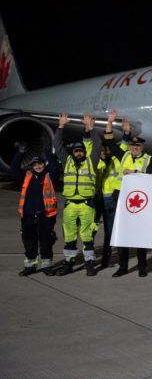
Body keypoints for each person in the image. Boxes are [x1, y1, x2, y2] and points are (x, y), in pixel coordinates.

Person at [53, 112, 102, 276]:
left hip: (87, 204)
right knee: (69, 236)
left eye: (81, 151)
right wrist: (61, 127)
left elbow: (97, 144)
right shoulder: (66, 162)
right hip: (70, 205)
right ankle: (68, 263)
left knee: (87, 236)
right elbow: (57, 144)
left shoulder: (91, 162)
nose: (79, 153)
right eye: (76, 151)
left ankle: (89, 263)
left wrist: (91, 128)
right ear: (73, 153)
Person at [110, 118, 152, 278]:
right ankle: (123, 267)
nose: (135, 148)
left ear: (142, 147)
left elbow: (151, 176)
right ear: (129, 146)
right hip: (121, 199)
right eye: (133, 145)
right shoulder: (123, 155)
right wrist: (121, 130)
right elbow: (109, 143)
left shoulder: (149, 159)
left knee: (139, 236)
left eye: (138, 146)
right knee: (123, 235)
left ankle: (142, 266)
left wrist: (134, 173)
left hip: (140, 202)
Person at [12, 144, 60, 276]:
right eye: (35, 165)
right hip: (28, 215)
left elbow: (55, 166)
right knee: (29, 243)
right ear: (32, 166)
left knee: (46, 242)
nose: (38, 166)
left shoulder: (50, 176)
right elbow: (14, 169)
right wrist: (20, 153)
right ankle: (30, 266)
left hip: (46, 215)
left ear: (44, 165)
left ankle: (47, 266)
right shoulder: (27, 176)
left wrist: (47, 151)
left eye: (40, 164)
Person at [95, 110, 122, 268]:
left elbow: (117, 144)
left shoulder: (117, 160)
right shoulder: (95, 162)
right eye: (102, 150)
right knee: (94, 232)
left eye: (107, 150)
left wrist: (123, 131)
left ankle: (106, 260)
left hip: (112, 200)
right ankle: (93, 258)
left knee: (110, 232)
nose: (105, 152)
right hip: (99, 201)